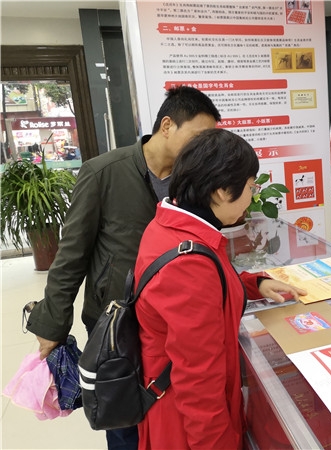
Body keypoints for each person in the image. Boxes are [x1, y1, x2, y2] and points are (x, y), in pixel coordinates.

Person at [25, 86, 221, 449]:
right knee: (123, 419)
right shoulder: (104, 172)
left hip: (169, 321)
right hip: (116, 322)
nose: (203, 149)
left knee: (163, 412)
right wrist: (52, 324)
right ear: (167, 126)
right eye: (198, 137)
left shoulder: (192, 181)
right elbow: (71, 254)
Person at [133, 128, 307, 449]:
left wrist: (255, 284)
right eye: (250, 188)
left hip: (168, 403)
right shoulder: (188, 262)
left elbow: (205, 290)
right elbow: (198, 383)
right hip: (185, 428)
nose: (252, 198)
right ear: (222, 191)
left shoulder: (173, 227)